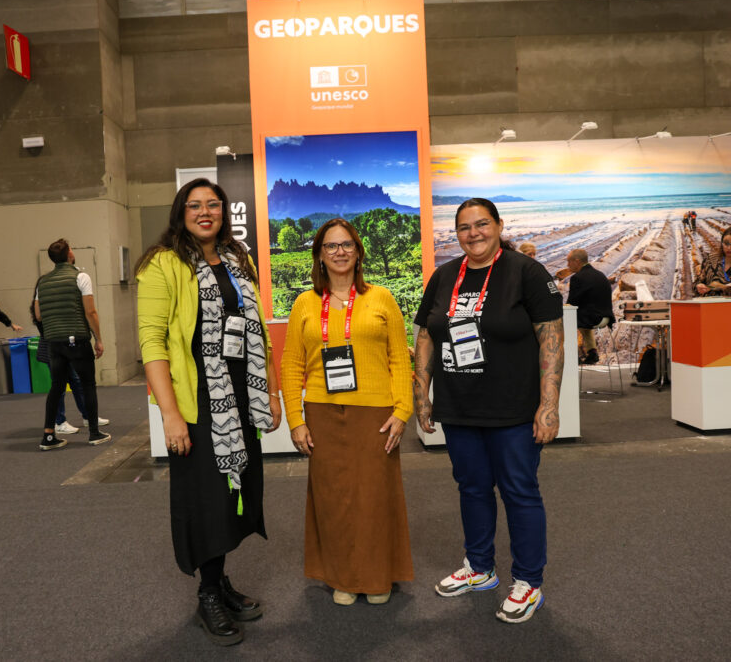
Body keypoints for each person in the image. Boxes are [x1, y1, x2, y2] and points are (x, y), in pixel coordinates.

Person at [136, 178, 281, 646]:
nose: (205, 212)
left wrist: (272, 394)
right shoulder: (164, 263)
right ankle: (207, 595)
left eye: (213, 205)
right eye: (195, 205)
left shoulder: (239, 260)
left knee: (237, 489)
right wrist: (170, 415)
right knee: (207, 500)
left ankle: (219, 582)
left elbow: (256, 330)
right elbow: (152, 344)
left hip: (241, 397)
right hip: (199, 405)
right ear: (181, 212)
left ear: (223, 212)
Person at [413, 198, 563, 625]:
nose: (473, 233)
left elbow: (552, 339)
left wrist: (548, 406)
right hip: (460, 408)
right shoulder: (444, 276)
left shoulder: (526, 273)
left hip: (513, 410)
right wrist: (422, 395)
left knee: (519, 491)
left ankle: (528, 581)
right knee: (471, 488)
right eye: (464, 227)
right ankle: (480, 568)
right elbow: (426, 335)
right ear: (455, 233)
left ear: (498, 225)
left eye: (482, 224)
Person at [281, 218, 414, 607]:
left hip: (375, 413)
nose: (339, 252)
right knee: (333, 499)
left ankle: (375, 577)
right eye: (330, 246)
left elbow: (398, 360)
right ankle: (341, 575)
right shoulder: (305, 303)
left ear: (358, 252)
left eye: (346, 245)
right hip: (322, 413)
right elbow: (291, 364)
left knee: (374, 497)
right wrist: (295, 419)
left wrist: (403, 410)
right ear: (319, 256)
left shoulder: (381, 298)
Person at [33, 240, 109, 449]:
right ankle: (94, 433)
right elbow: (90, 312)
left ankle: (49, 436)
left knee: (57, 387)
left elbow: (38, 315)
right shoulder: (81, 277)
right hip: (77, 340)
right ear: (69, 254)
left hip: (54, 343)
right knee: (87, 385)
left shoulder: (43, 282)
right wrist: (99, 339)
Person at [565, 249, 614, 365]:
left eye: (569, 262)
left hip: (592, 318)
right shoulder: (600, 275)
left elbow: (571, 304)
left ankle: (572, 356)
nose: (567, 265)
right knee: (583, 320)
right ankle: (592, 353)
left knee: (564, 319)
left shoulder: (577, 278)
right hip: (605, 318)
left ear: (577, 261)